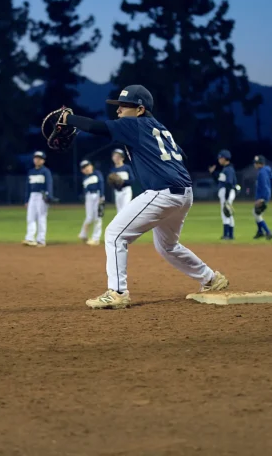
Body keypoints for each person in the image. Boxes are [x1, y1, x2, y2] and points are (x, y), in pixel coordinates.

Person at [57, 84, 229, 309]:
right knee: (167, 246)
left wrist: (69, 118)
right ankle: (211, 279)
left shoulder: (135, 124)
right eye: (118, 106)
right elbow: (180, 154)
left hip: (164, 192)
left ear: (139, 109)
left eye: (124, 106)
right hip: (185, 193)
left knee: (115, 234)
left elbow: (96, 127)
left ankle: (117, 292)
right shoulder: (158, 127)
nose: (118, 110)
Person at [24, 151, 53, 247]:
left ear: (43, 161)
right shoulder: (31, 172)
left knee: (41, 218)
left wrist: (49, 196)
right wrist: (26, 200)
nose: (37, 160)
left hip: (42, 196)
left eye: (39, 158)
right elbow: (28, 187)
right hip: (32, 196)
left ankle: (41, 240)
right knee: (30, 217)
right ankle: (30, 238)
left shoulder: (45, 171)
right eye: (35, 158)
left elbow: (49, 184)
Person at [209, 149, 237, 240]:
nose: (219, 160)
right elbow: (220, 180)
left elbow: (229, 183)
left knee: (225, 212)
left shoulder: (228, 169)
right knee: (228, 212)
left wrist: (226, 196)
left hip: (226, 191)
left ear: (225, 158)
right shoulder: (228, 169)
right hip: (227, 191)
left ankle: (226, 234)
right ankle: (231, 235)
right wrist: (213, 173)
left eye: (220, 158)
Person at [78, 159, 105, 246]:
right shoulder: (85, 178)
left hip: (97, 195)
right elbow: (84, 191)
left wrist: (101, 196)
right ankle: (83, 235)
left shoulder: (97, 174)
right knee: (89, 217)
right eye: (83, 168)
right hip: (88, 197)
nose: (86, 169)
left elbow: (101, 184)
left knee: (97, 217)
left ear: (91, 166)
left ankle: (95, 238)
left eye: (87, 166)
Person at [253, 155, 272, 240]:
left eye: (256, 163)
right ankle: (260, 232)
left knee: (256, 214)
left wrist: (262, 199)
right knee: (257, 214)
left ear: (259, 164)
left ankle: (268, 232)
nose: (255, 164)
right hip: (265, 195)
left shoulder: (262, 172)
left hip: (262, 196)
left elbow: (264, 186)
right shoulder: (267, 170)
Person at [109, 149, 133, 213]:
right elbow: (111, 183)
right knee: (119, 212)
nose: (116, 158)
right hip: (117, 192)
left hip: (126, 191)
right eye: (114, 156)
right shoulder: (112, 170)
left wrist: (123, 181)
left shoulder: (127, 167)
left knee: (125, 209)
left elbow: (132, 179)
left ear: (122, 158)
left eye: (118, 156)